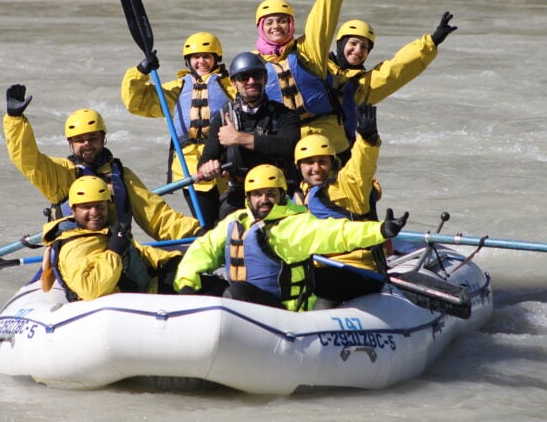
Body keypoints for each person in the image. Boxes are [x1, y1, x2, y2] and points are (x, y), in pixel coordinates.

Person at [174, 164, 409, 311]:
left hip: (284, 312)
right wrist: (186, 285)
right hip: (247, 306)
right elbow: (201, 250)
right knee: (203, 286)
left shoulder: (293, 225)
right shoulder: (237, 221)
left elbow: (337, 233)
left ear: (281, 195)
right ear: (248, 197)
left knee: (235, 293)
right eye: (257, 195)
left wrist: (379, 231)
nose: (263, 200)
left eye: (270, 194)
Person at [3, 84, 201, 247]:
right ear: (70, 143)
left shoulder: (121, 176)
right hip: (75, 251)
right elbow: (27, 159)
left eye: (92, 138)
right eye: (80, 140)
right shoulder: (61, 174)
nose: (87, 144)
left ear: (103, 138)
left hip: (114, 249)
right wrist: (15, 120)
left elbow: (157, 217)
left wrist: (198, 231)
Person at [253, 0, 357, 160]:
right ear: (260, 27)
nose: (276, 26)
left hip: (328, 140)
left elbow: (325, 10)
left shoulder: (309, 50)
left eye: (282, 20)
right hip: (286, 142)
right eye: (269, 22)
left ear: (291, 24)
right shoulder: (252, 64)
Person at [121, 32, 235, 227]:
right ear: (188, 61)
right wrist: (141, 71)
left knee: (231, 219)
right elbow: (135, 102)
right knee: (208, 224)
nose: (201, 62)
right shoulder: (177, 89)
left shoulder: (231, 86)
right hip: (190, 167)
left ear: (217, 58)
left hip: (225, 163)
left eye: (206, 56)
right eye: (196, 57)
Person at [293, 104, 388, 303]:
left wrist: (367, 139)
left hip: (359, 269)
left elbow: (361, 166)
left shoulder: (348, 185)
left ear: (332, 163)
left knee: (313, 281)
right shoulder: (297, 199)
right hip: (320, 268)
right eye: (309, 162)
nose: (316, 168)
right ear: (299, 166)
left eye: (322, 161)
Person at [330, 13, 457, 159]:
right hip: (303, 150)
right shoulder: (317, 68)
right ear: (341, 43)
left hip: (334, 158)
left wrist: (432, 42)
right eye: (353, 43)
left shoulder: (363, 86)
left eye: (364, 47)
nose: (358, 50)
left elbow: (396, 70)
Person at [41, 176, 182, 300]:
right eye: (86, 207)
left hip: (144, 294)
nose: (94, 213)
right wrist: (114, 251)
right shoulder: (73, 247)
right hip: (129, 307)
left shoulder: (105, 232)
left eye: (100, 206)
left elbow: (137, 253)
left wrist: (171, 259)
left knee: (190, 276)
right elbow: (89, 289)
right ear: (73, 210)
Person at [197, 52, 301, 220]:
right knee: (229, 228)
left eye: (256, 75)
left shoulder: (285, 115)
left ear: (265, 78)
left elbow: (288, 145)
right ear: (233, 83)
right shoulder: (223, 118)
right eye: (244, 77)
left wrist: (239, 138)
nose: (251, 81)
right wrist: (208, 168)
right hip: (240, 192)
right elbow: (206, 159)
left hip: (279, 190)